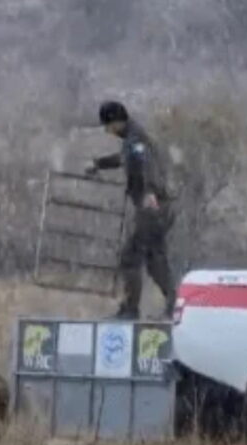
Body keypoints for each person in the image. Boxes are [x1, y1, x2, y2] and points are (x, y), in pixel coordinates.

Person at [85, 101, 176, 320]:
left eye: (108, 126)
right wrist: (99, 164)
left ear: (116, 122)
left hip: (152, 206)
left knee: (130, 258)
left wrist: (150, 192)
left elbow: (146, 165)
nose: (108, 132)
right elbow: (125, 159)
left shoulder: (136, 140)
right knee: (155, 260)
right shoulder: (133, 139)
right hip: (159, 207)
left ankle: (130, 309)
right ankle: (174, 304)